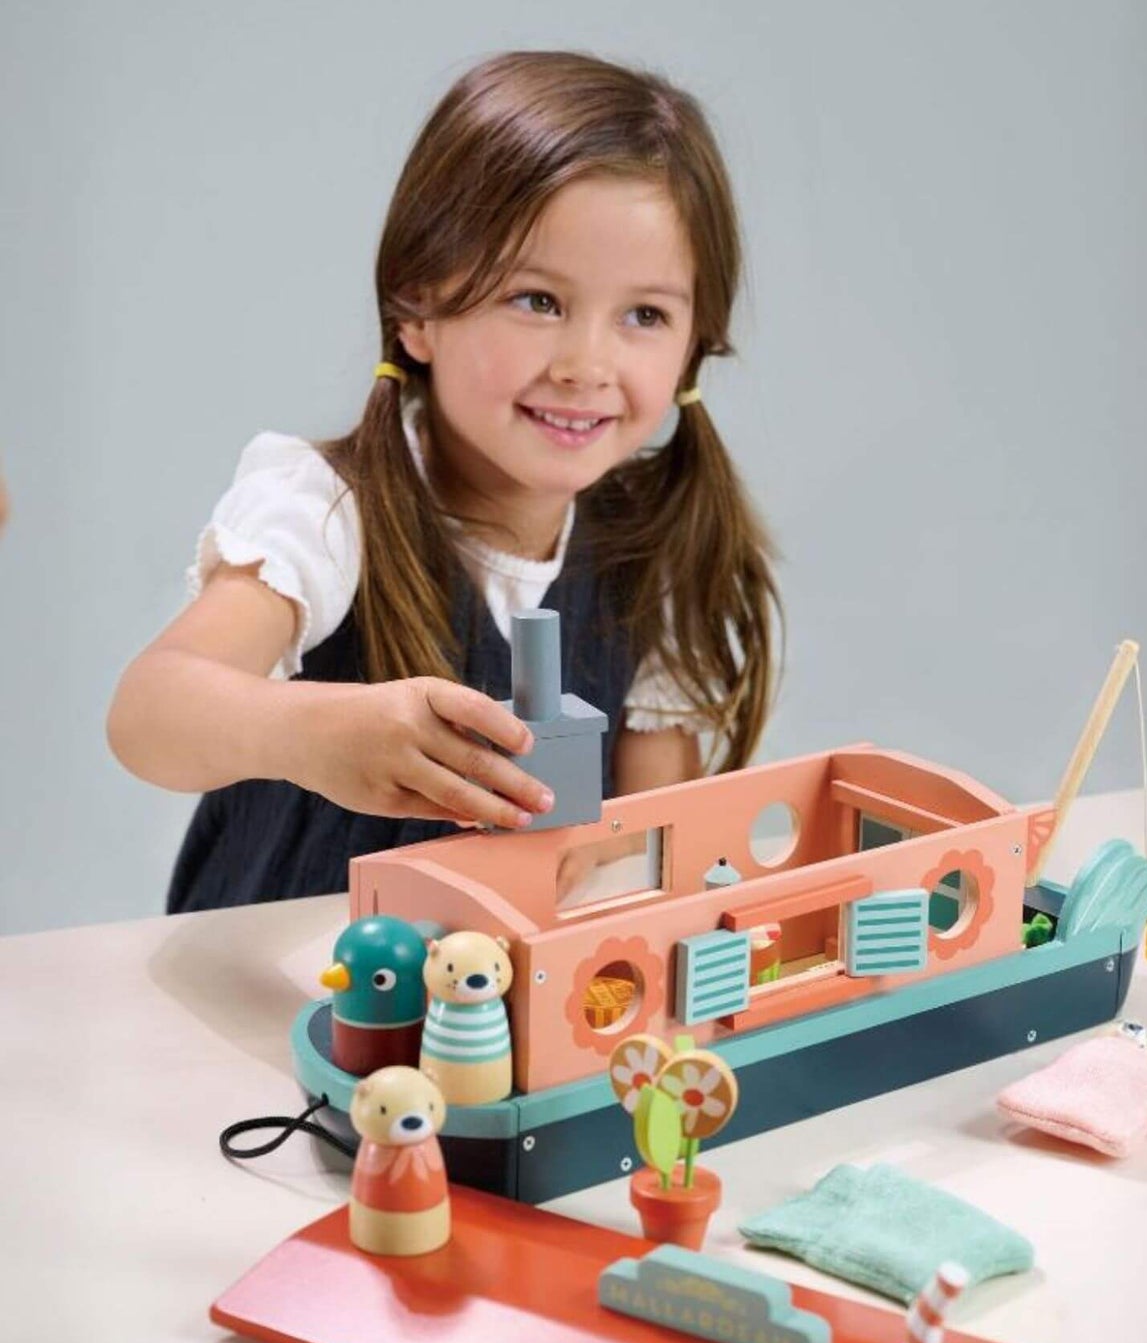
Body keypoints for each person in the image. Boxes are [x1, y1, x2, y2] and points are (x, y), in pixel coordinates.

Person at [107, 51, 780, 913]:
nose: (586, 364)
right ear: (416, 307)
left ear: (694, 343)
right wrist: (312, 731)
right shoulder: (328, 510)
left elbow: (655, 839)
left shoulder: (653, 546)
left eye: (644, 315)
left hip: (501, 989)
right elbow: (149, 714)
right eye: (537, 300)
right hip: (282, 981)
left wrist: (601, 853)